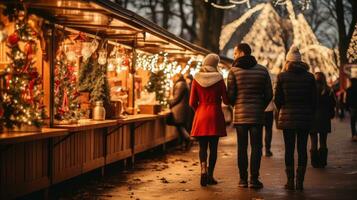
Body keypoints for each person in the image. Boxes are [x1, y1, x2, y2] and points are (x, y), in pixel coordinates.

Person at [227, 43, 273, 189]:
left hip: (240, 117)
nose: (233, 56)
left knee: (242, 147)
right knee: (256, 148)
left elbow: (231, 96)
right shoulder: (263, 70)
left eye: (235, 53)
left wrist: (236, 106)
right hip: (257, 116)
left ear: (241, 53)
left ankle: (242, 179)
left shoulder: (233, 71)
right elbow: (269, 95)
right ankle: (254, 179)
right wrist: (260, 107)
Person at [274, 46, 316, 191]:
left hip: (288, 116)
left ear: (288, 61)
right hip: (304, 117)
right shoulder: (310, 77)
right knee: (302, 148)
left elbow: (277, 99)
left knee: (289, 149)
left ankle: (290, 181)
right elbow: (314, 100)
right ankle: (300, 181)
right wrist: (309, 112)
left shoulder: (282, 76)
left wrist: (282, 110)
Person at [190, 53, 229, 187]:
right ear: (215, 64)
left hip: (201, 114)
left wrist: (199, 111)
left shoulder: (196, 78)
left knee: (202, 147)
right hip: (215, 114)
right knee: (213, 148)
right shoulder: (219, 78)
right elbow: (226, 100)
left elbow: (191, 102)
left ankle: (203, 171)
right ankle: (211, 175)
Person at [310, 72, 336, 168]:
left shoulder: (311, 90)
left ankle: (314, 162)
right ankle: (323, 162)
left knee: (313, 141)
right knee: (323, 141)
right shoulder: (329, 90)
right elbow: (333, 104)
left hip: (312, 118)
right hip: (324, 118)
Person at [169, 73, 191, 150]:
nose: (172, 79)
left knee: (180, 126)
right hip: (182, 109)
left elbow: (176, 98)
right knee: (181, 126)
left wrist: (170, 103)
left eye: (173, 77)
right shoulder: (184, 84)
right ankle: (183, 144)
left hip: (179, 109)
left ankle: (188, 139)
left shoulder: (180, 84)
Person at [264, 71, 276, 157]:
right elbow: (272, 96)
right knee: (268, 130)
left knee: (258, 130)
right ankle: (267, 149)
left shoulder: (258, 82)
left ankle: (259, 149)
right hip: (269, 110)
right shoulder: (271, 83)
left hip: (260, 110)